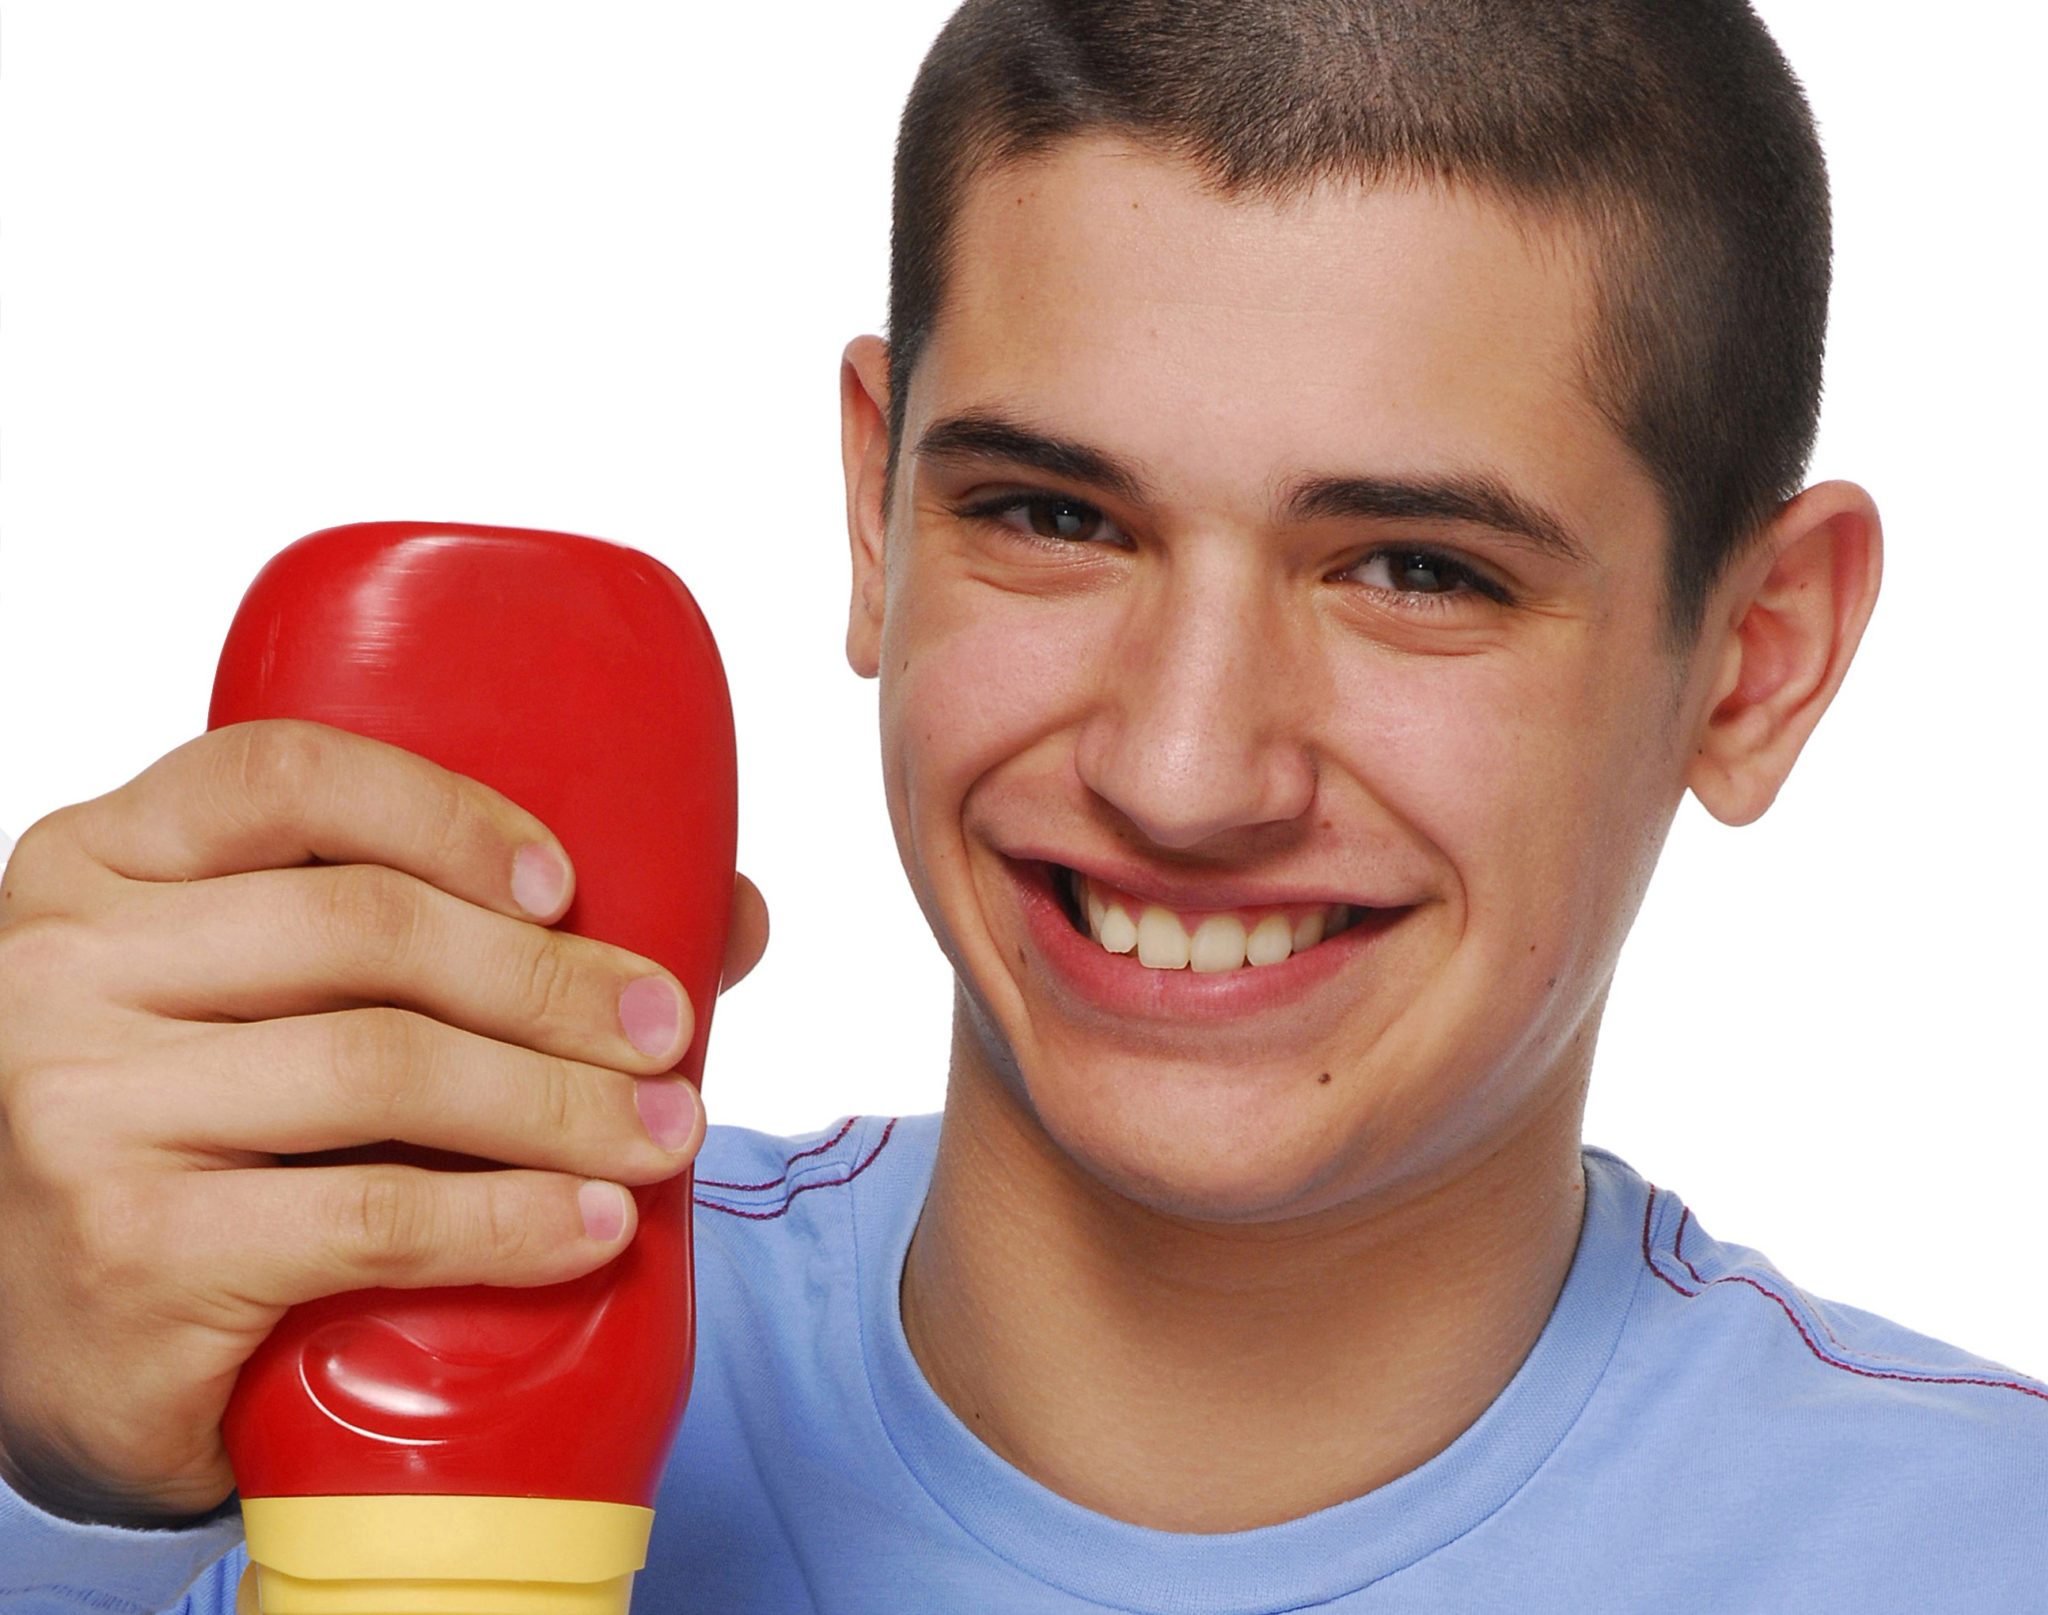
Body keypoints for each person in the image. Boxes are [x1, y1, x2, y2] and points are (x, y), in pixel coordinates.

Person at [1, 1, 2041, 1610]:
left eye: (1417, 567)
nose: (1182, 770)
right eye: (1054, 516)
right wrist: (66, 1494)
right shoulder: (270, 1352)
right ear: (875, 514)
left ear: (1756, 659)